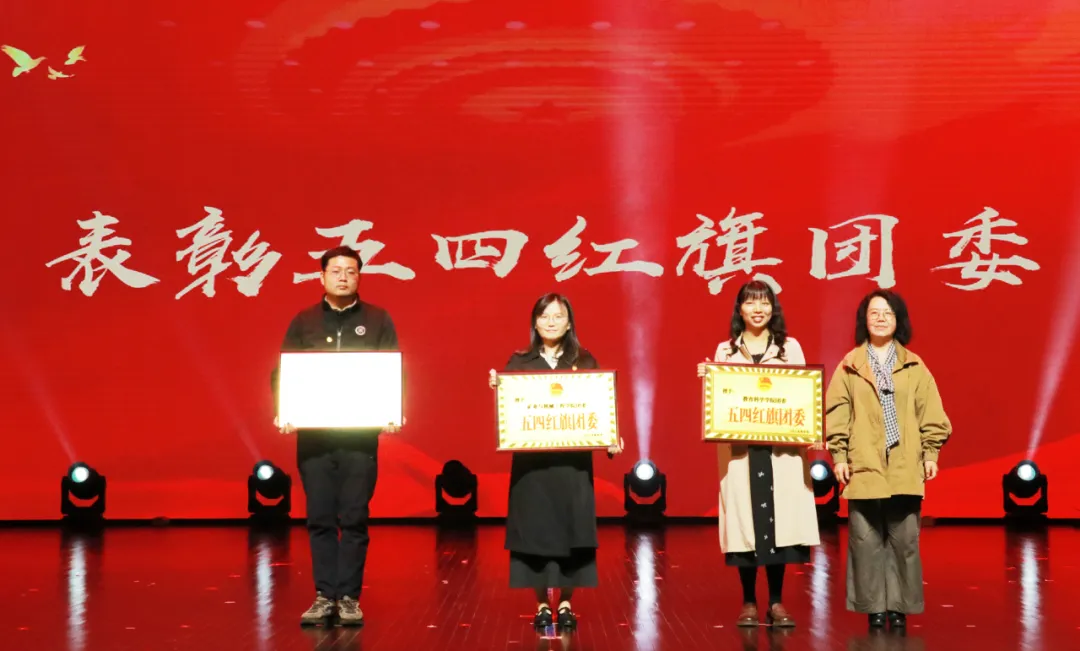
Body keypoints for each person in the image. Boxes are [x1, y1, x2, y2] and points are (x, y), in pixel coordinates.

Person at [271, 246, 403, 627]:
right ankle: (323, 595)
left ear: (359, 277)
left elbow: (392, 369)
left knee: (355, 516)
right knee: (320, 517)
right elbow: (284, 373)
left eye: (351, 271)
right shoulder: (305, 321)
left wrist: (392, 410)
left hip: (360, 439)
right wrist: (285, 411)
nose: (343, 277)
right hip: (315, 439)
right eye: (336, 271)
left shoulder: (378, 319)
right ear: (322, 277)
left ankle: (348, 598)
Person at [487, 293, 623, 630]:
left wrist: (610, 438)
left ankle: (565, 603)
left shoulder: (585, 361)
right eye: (544, 316)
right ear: (535, 322)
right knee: (534, 535)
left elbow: (599, 408)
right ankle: (540, 605)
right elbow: (511, 411)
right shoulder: (520, 363)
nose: (551, 322)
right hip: (532, 470)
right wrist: (499, 387)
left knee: (572, 533)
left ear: (569, 322)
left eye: (558, 316)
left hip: (572, 468)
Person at [824, 289, 951, 629]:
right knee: (865, 540)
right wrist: (839, 455)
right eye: (874, 312)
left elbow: (930, 413)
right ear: (864, 320)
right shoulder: (850, 365)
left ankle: (900, 606)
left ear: (898, 321)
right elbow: (838, 413)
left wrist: (931, 453)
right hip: (863, 463)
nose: (880, 318)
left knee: (904, 540)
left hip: (904, 463)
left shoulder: (914, 365)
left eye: (888, 313)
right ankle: (873, 607)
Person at [697, 280, 820, 628]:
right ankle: (749, 601)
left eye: (764, 302)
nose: (758, 309)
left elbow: (802, 396)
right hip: (742, 453)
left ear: (773, 308)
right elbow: (720, 403)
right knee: (746, 527)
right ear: (739, 309)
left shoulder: (789, 348)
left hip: (782, 452)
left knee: (779, 525)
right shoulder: (725, 351)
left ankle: (777, 602)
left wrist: (811, 430)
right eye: (750, 302)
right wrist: (709, 378)